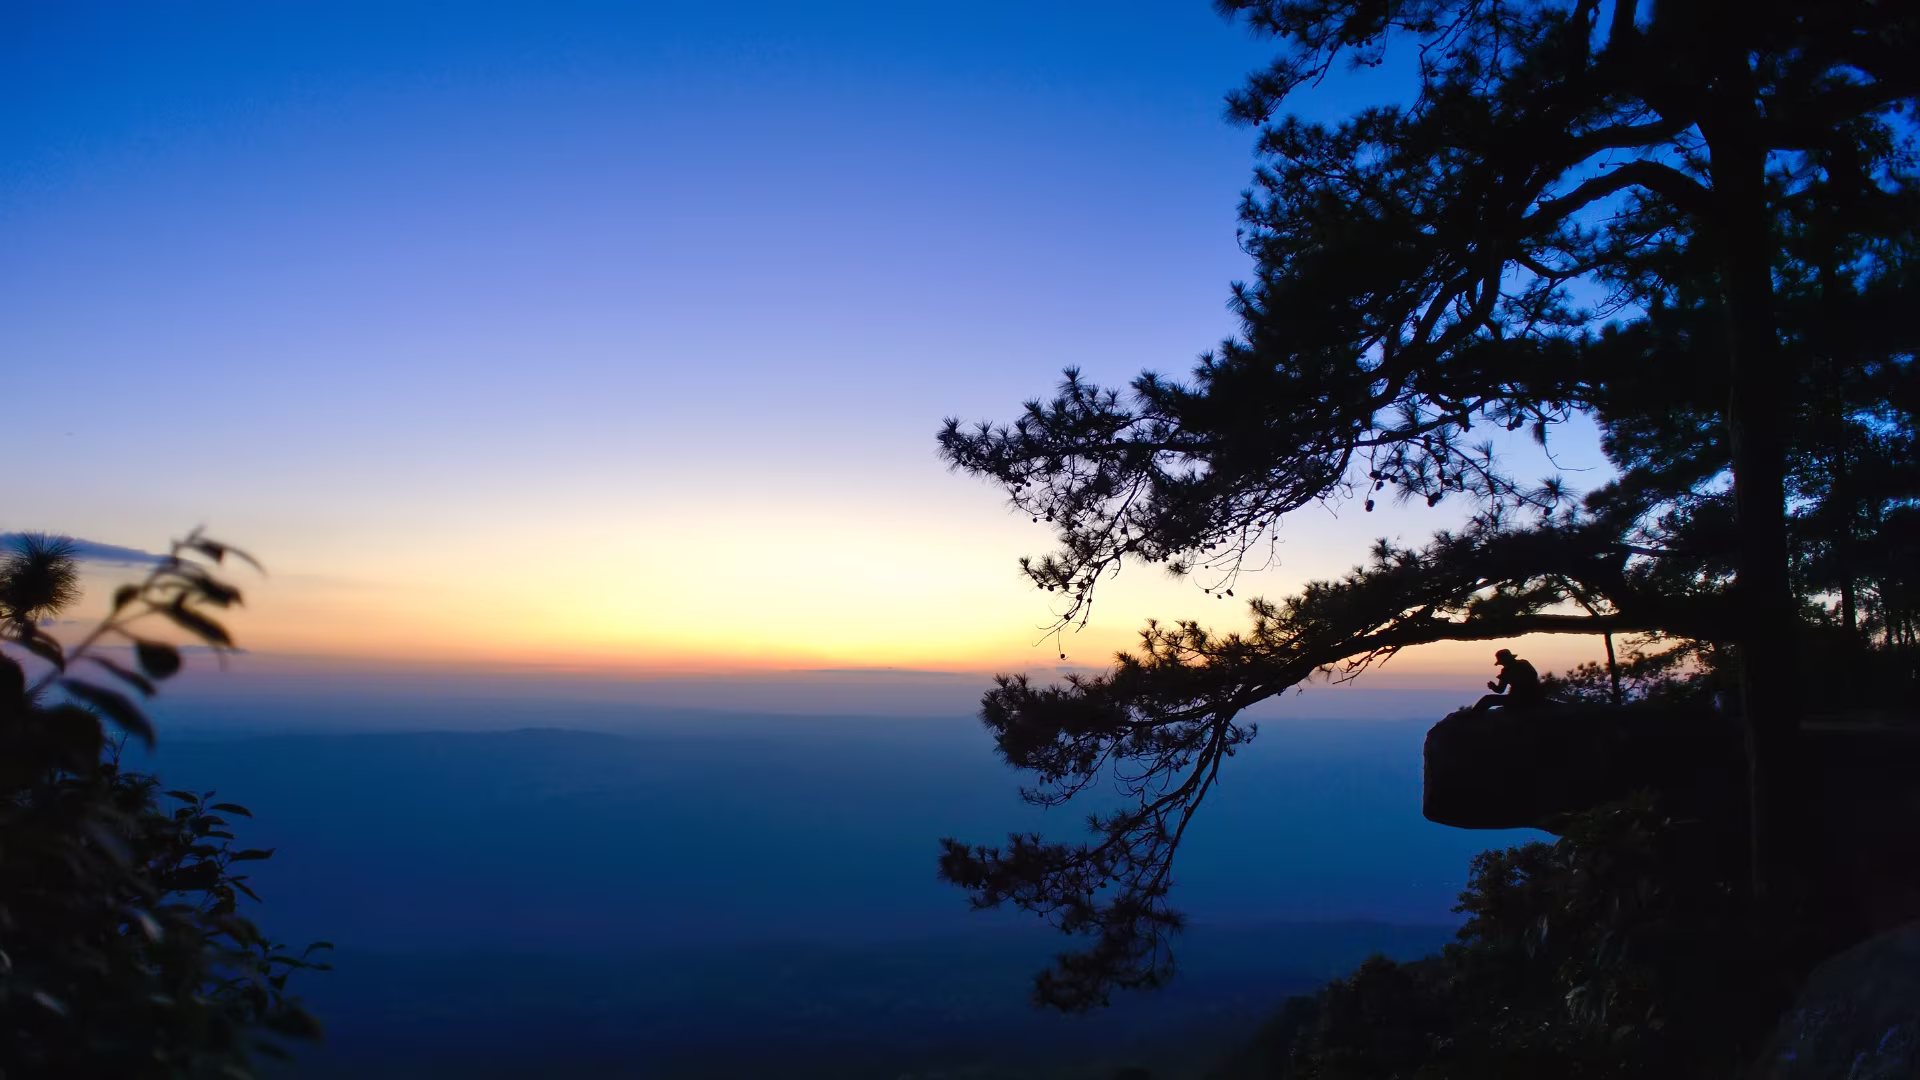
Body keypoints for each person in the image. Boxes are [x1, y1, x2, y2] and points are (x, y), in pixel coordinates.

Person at [1472, 648, 1543, 713]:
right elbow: (1534, 675)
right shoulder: (1524, 663)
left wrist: (1493, 686)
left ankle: (1473, 716)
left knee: (1487, 699)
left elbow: (1500, 690)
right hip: (1534, 697)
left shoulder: (1506, 671)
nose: (1502, 665)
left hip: (1518, 699)